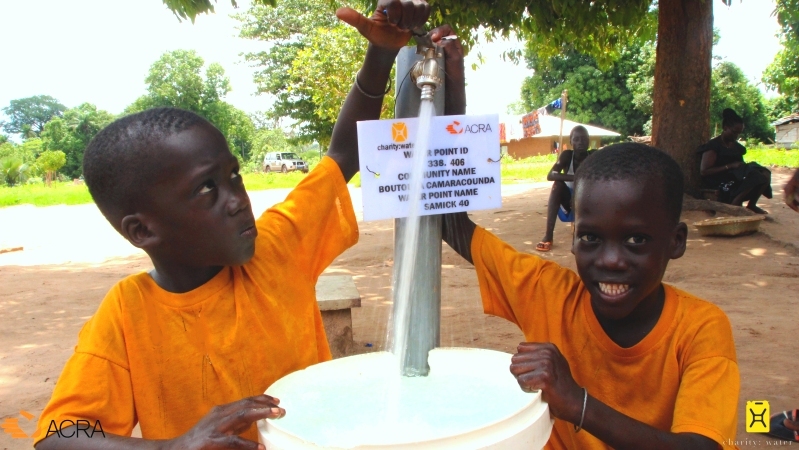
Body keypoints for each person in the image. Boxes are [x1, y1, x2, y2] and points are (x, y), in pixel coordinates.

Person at [33, 2, 441, 448]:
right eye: (206, 190)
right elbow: (57, 436)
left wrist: (380, 55)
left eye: (234, 176)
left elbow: (342, 155)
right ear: (143, 231)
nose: (237, 201)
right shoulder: (129, 315)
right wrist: (175, 445)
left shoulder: (277, 248)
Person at [442, 142, 739, 448]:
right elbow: (452, 222)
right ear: (572, 240)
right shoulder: (549, 292)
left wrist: (577, 404)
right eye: (590, 238)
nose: (610, 260)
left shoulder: (701, 329)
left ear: (676, 241)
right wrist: (448, 109)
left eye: (636, 240)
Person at [698, 108, 772, 214]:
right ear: (725, 128)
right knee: (754, 176)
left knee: (764, 173)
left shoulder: (737, 147)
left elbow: (741, 169)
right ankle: (735, 204)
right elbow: (704, 171)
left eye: (739, 133)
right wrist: (730, 166)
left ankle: (752, 205)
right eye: (734, 132)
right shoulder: (714, 145)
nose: (736, 136)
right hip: (719, 180)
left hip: (733, 177)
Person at [535, 126, 592, 252]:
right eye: (576, 139)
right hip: (568, 203)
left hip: (587, 203)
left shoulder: (593, 156)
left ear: (589, 140)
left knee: (584, 189)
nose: (580, 142)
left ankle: (577, 238)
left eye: (583, 139)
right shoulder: (567, 156)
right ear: (571, 142)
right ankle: (548, 236)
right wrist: (576, 177)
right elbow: (551, 175)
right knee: (557, 185)